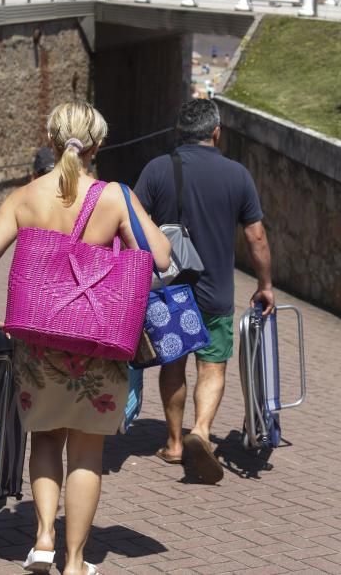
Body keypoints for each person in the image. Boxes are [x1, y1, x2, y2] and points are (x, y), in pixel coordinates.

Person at [0, 101, 170, 575]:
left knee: (43, 439)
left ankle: (41, 540)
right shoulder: (115, 196)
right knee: (86, 450)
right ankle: (75, 561)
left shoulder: (24, 197)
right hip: (99, 343)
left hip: (37, 343)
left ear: (53, 140)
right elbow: (159, 256)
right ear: (98, 144)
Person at [134, 99, 274, 484]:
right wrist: (264, 285)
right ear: (216, 132)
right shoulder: (237, 175)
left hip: (169, 289)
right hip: (215, 290)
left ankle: (175, 442)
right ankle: (201, 431)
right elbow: (255, 236)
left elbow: (132, 223)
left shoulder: (157, 169)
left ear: (179, 132)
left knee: (173, 364)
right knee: (212, 366)